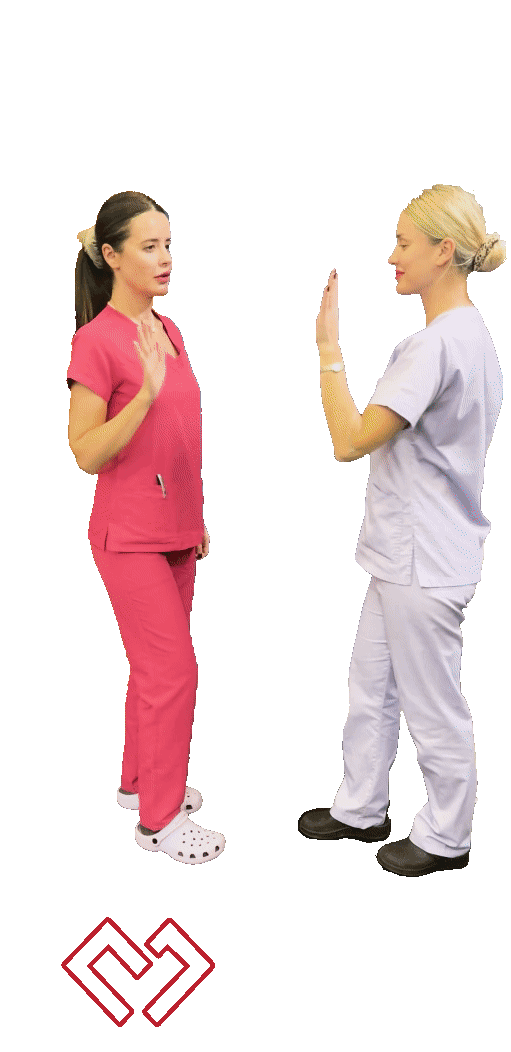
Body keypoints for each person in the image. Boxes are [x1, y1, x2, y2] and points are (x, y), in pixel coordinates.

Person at [298, 184, 505, 877]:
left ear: (444, 251)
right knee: (372, 689)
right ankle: (362, 807)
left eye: (405, 244)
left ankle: (448, 836)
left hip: (422, 561)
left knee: (432, 703)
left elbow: (350, 440)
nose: (393, 257)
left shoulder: (432, 347)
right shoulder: (473, 337)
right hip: (403, 556)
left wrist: (328, 351)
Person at [69, 193, 223, 865]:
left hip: (176, 532)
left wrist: (194, 516)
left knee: (151, 672)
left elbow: (178, 438)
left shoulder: (170, 329)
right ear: (112, 256)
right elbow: (86, 453)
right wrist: (146, 396)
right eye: (148, 247)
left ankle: (138, 785)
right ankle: (159, 823)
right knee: (174, 674)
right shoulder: (97, 340)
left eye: (168, 245)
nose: (164, 259)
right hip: (128, 537)